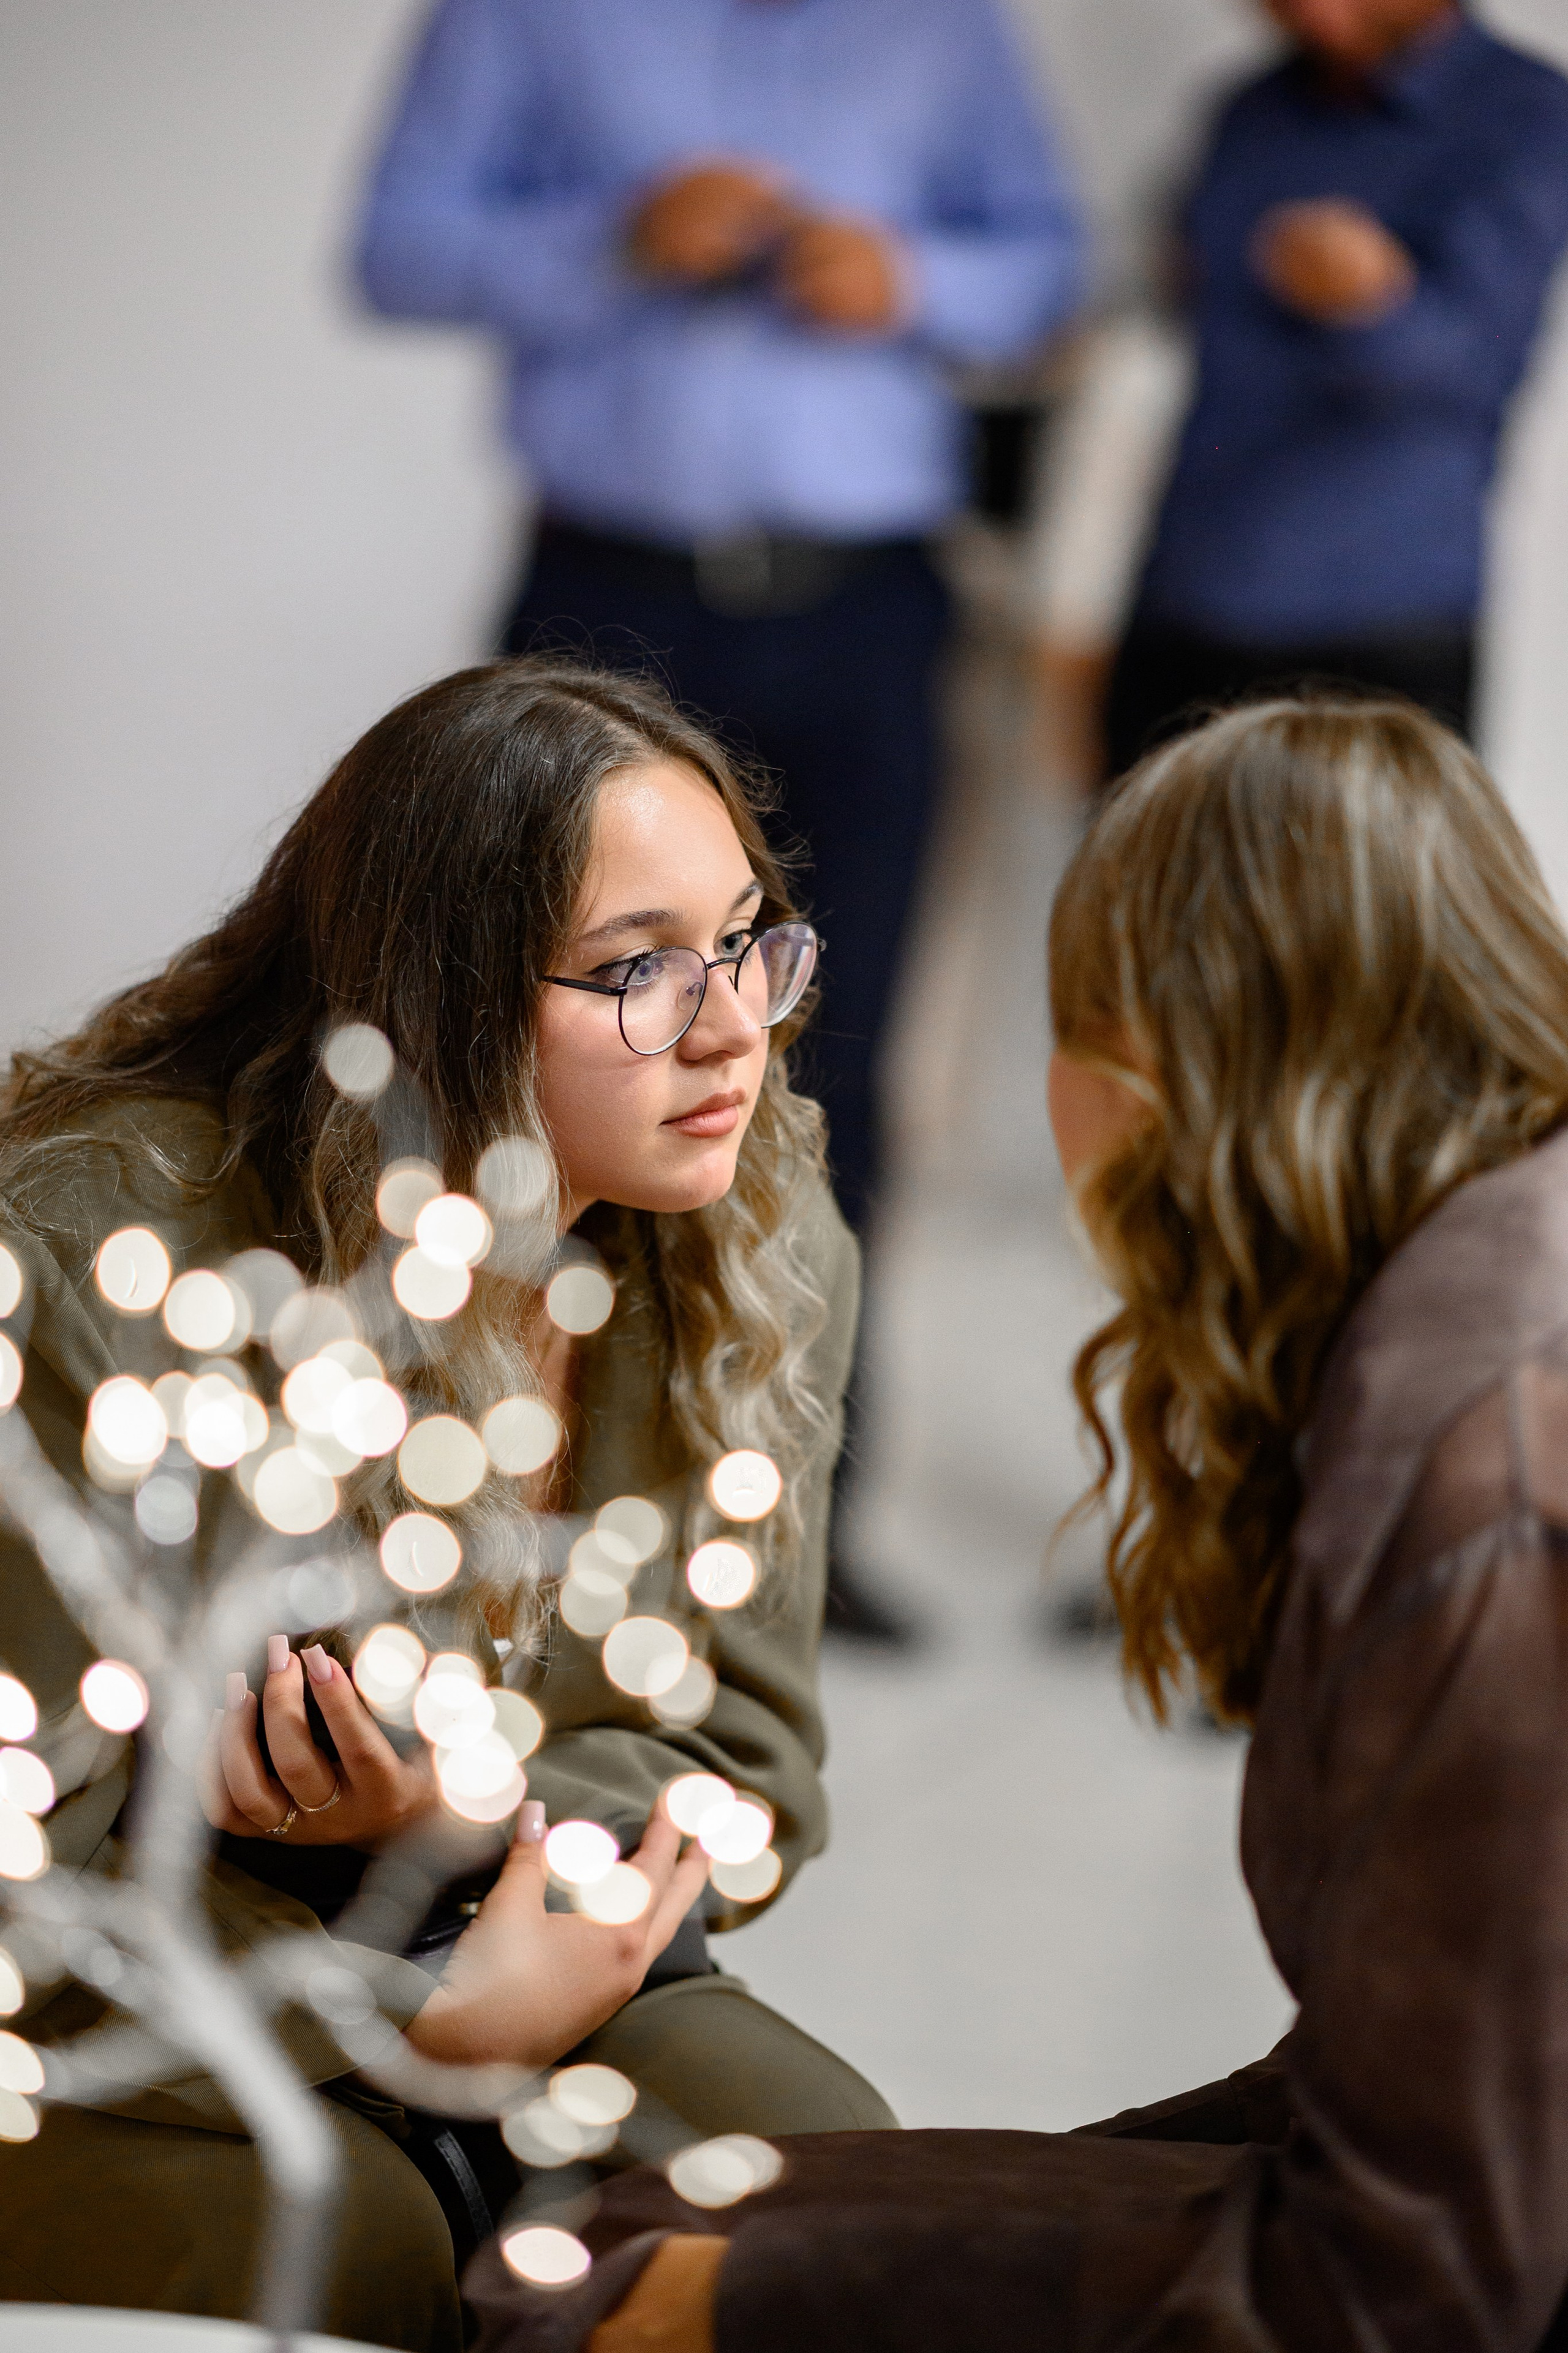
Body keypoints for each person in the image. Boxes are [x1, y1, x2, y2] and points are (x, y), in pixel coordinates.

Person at [472, 693, 1568, 2352]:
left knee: (609, 2288)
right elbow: (1411, 2087)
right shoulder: (1476, 1319)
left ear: (1163, 1073)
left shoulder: (1485, 1487)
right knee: (646, 2227)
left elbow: (1423, 2280)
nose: (725, 1036)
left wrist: (776, 2288)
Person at [0, 658, 894, 2349]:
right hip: (110, 1983)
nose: (730, 1033)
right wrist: (418, 2018)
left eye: (747, 940)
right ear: (441, 1000)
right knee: (355, 2241)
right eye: (638, 972)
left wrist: (454, 1815)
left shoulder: (759, 1219)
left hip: (523, 1901)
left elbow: (750, 1770)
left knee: (837, 2199)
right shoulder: (88, 1266)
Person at [355, 0, 1085, 1641]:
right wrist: (609, 239)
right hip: (609, 589)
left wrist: (911, 282)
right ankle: (516, 1526)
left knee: (834, 1059)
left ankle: (794, 1534)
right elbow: (395, 249)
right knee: (534, 1048)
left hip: (868, 612)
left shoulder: (947, 24)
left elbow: (1052, 266)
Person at [1104, 0, 1568, 778]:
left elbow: (1467, 369)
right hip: (1183, 608)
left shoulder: (1522, 114)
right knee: (1142, 896)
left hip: (1375, 633)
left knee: (1365, 902)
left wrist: (1367, 303)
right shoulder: (1248, 112)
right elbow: (1169, 335)